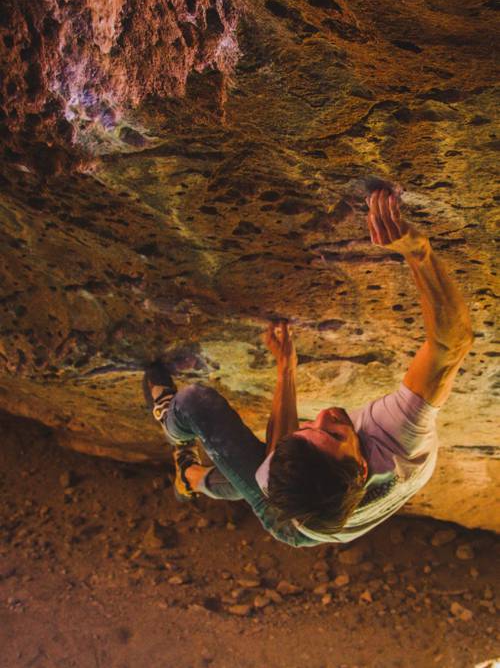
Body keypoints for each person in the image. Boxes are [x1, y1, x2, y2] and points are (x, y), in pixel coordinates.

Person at [143, 189, 473, 546]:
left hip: (298, 525)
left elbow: (276, 452)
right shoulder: (397, 439)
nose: (326, 415)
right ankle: (186, 467)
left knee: (196, 406)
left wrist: (286, 367)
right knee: (243, 478)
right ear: (362, 467)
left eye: (309, 428)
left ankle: (176, 438)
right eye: (332, 434)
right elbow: (451, 345)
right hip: (317, 524)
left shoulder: (277, 476)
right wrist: (418, 251)